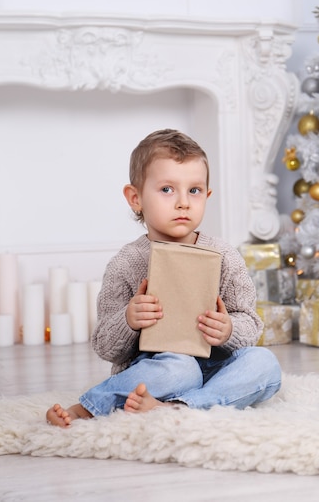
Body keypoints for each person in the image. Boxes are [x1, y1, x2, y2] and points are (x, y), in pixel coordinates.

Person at [47, 129, 281, 427]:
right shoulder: (126, 263)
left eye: (194, 191)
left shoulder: (225, 255)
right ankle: (90, 406)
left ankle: (180, 409)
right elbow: (105, 346)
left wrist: (228, 329)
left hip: (217, 369)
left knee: (265, 364)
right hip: (160, 369)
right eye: (167, 190)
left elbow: (250, 327)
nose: (183, 202)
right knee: (182, 369)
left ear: (207, 196)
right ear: (136, 198)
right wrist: (130, 320)